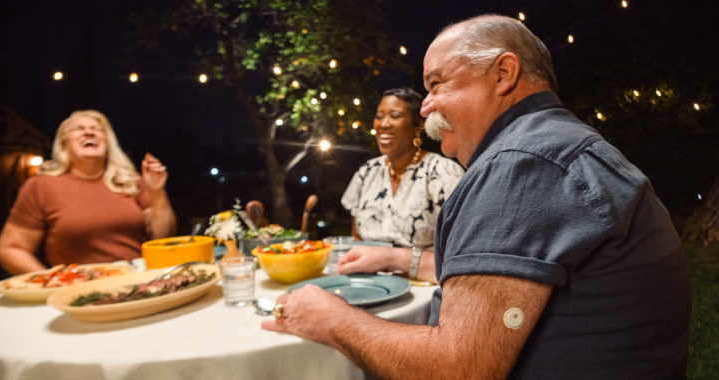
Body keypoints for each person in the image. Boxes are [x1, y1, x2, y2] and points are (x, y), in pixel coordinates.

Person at [261, 15, 691, 379]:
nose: (426, 107)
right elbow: (496, 269)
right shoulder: (556, 143)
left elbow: (458, 369)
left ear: (503, 74)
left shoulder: (521, 164)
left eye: (437, 84)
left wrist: (331, 319)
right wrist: (396, 258)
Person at [0, 110, 177, 275]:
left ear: (108, 143)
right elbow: (11, 249)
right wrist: (52, 284)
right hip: (80, 292)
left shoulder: (131, 181)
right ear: (64, 144)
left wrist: (157, 192)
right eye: (79, 128)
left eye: (97, 129)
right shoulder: (40, 186)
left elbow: (163, 238)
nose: (89, 132)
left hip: (138, 283)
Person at [340, 87, 464, 282]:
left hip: (426, 286)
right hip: (368, 283)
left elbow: (460, 251)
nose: (383, 124)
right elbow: (356, 237)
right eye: (379, 116)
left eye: (395, 116)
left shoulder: (443, 172)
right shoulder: (366, 173)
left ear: (418, 126)